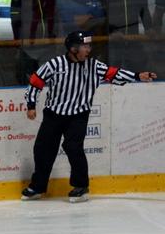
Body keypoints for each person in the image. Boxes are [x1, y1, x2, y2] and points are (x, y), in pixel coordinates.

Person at [21, 31, 156, 203]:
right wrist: (31, 105)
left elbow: (113, 73)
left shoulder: (93, 66)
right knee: (43, 149)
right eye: (85, 46)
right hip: (54, 114)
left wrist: (137, 76)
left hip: (78, 115)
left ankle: (81, 186)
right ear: (73, 49)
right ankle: (37, 187)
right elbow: (36, 81)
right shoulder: (55, 64)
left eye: (89, 46)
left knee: (73, 147)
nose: (88, 49)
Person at [100, 0, 152, 70]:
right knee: (113, 71)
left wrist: (149, 29)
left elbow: (144, 11)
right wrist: (110, 32)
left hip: (134, 40)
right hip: (114, 40)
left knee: (137, 70)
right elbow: (102, 16)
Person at [10, 0, 56, 86]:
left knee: (47, 82)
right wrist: (18, 41)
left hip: (47, 47)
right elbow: (15, 20)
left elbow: (54, 18)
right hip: (27, 47)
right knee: (25, 81)